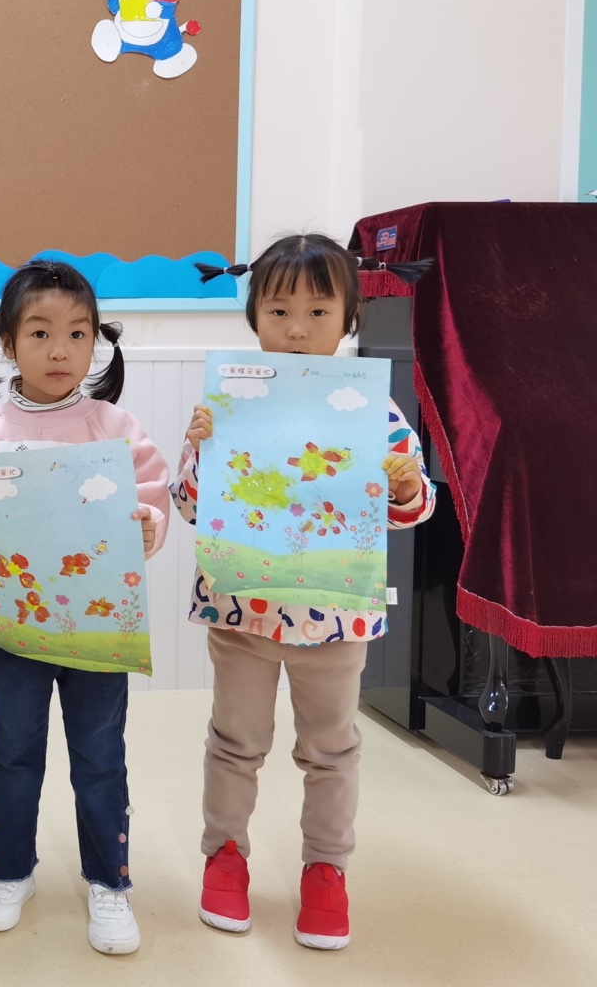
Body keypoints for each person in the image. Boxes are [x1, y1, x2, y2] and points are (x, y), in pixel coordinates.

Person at [175, 234, 436, 950]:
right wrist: (201, 449)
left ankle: (327, 870)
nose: (297, 329)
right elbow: (190, 505)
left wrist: (403, 487)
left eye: (319, 311)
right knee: (236, 741)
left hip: (336, 617)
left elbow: (412, 508)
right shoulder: (227, 405)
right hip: (242, 609)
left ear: (349, 318)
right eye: (279, 311)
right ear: (254, 317)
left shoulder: (375, 411)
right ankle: (225, 858)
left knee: (331, 749)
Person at [0, 261, 170, 955]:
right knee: (14, 752)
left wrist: (148, 527)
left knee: (100, 756)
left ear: (96, 341)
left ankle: (109, 881)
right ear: (7, 343)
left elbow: (150, 499)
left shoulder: (114, 425)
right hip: (14, 630)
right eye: (40, 333)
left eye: (77, 333)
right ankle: (9, 871)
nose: (60, 349)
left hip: (100, 629)